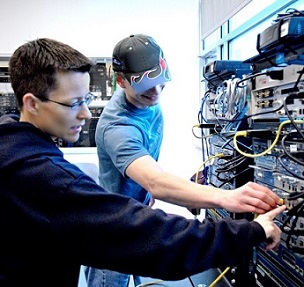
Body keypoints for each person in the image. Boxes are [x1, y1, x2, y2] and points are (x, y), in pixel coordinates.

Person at [0, 37, 285, 287]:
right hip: (111, 227)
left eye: (86, 99)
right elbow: (154, 191)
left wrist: (191, 192)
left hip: (124, 216)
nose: (87, 114)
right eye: (74, 103)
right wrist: (241, 219)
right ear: (32, 103)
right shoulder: (55, 169)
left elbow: (151, 176)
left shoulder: (13, 143)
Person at [86, 34, 284, 287]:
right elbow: (156, 181)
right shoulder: (117, 126)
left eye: (161, 84)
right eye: (148, 87)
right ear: (121, 81)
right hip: (111, 233)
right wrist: (226, 197)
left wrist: (145, 186)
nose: (156, 92)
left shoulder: (145, 99)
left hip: (134, 213)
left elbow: (150, 173)